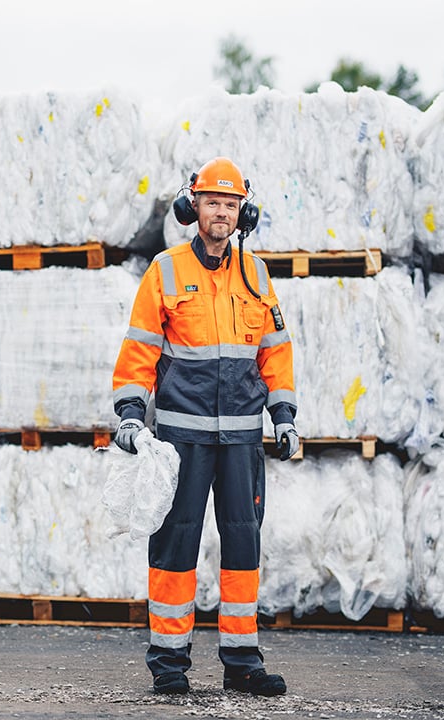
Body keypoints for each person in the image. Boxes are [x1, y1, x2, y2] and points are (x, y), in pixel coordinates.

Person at [111, 157, 298, 697]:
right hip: (181, 438)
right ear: (191, 208)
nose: (222, 212)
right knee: (176, 545)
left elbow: (275, 352)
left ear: (245, 213)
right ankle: (169, 665)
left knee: (244, 547)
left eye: (231, 204)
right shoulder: (166, 271)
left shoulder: (256, 275)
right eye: (213, 202)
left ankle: (242, 661)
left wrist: (283, 418)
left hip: (242, 439)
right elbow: (139, 347)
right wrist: (128, 411)